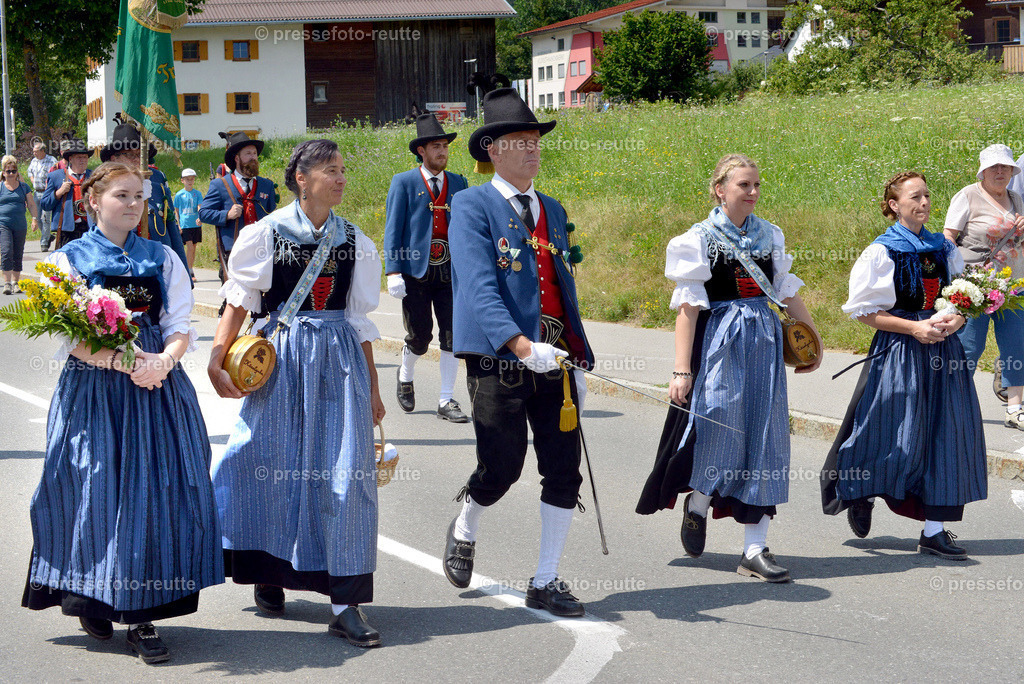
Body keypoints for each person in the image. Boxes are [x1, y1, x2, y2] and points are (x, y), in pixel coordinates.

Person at [21, 162, 223, 664]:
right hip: (95, 392)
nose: (134, 204)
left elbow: (180, 324)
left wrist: (164, 361)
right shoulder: (68, 260)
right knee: (93, 488)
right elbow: (69, 339)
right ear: (93, 200)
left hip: (156, 388)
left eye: (140, 196)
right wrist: (121, 361)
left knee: (151, 495)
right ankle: (90, 591)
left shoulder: (163, 257)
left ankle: (141, 617)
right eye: (122, 195)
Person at [207, 140, 386, 647]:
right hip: (280, 360)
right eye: (331, 170)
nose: (341, 178)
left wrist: (373, 388)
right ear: (301, 179)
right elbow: (238, 302)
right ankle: (268, 571)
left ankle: (345, 603)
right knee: (264, 461)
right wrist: (217, 359)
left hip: (339, 364)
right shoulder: (265, 234)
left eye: (343, 169)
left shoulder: (356, 241)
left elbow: (358, 321)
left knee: (345, 477)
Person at [636, 154, 823, 583]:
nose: (753, 192)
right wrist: (681, 370)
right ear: (720, 189)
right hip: (720, 339)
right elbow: (687, 306)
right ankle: (699, 501)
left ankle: (754, 548)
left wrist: (811, 339)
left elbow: (786, 291)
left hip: (765, 340)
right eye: (744, 185)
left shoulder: (770, 234)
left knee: (765, 435)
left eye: (757, 184)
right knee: (717, 421)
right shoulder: (699, 238)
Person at [443, 88, 594, 617]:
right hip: (498, 356)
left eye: (535, 141)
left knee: (563, 468)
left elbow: (560, 282)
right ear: (493, 150)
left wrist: (572, 345)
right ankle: (466, 523)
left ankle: (546, 579)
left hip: (554, 359)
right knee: (502, 466)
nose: (532, 150)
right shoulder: (470, 203)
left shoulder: (551, 207)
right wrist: (520, 345)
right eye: (521, 142)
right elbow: (479, 286)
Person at [821, 171, 987, 559]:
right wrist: (914, 328)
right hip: (900, 350)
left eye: (928, 195)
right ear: (894, 205)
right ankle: (860, 490)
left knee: (945, 434)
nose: (925, 202)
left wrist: (955, 319)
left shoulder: (942, 247)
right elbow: (864, 312)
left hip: (943, 352)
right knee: (886, 428)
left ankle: (934, 530)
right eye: (915, 197)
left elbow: (963, 296)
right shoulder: (882, 250)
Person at [384, 113, 470, 422]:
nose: (442, 152)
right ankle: (405, 375)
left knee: (452, 337)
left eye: (445, 146)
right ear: (421, 150)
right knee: (420, 337)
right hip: (415, 273)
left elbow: (468, 229)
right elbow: (393, 229)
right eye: (436, 146)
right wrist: (392, 270)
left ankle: (446, 400)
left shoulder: (459, 182)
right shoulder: (404, 182)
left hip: (450, 272)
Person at [942, 144, 1024, 429]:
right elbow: (948, 237)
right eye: (994, 167)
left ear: (1013, 171)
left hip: (1012, 285)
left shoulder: (1017, 198)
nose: (1000, 172)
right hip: (975, 284)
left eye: (1005, 167)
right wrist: (954, 276)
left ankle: (1015, 409)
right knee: (968, 346)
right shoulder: (968, 195)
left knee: (1016, 347)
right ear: (983, 171)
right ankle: (955, 405)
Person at [97, 120, 189, 270]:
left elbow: (171, 228)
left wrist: (183, 270)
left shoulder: (156, 185)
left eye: (140, 154)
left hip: (158, 262)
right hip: (121, 263)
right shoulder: (103, 189)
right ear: (114, 158)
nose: (137, 159)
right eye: (130, 155)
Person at [199, 131, 277, 290]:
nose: (253, 157)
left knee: (264, 302)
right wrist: (226, 214)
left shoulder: (267, 185)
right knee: (234, 300)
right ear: (237, 158)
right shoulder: (219, 185)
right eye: (248, 153)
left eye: (254, 153)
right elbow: (204, 213)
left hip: (262, 252)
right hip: (233, 252)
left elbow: (273, 216)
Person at [39, 138, 92, 248]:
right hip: (66, 231)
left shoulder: (93, 177)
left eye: (85, 157)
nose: (83, 160)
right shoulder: (56, 176)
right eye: (79, 157)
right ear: (71, 159)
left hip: (89, 229)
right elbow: (45, 204)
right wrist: (58, 193)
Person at [1, 156, 40, 294]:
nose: (11, 173)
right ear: (3, 172)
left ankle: (15, 282)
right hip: (3, 224)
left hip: (20, 224)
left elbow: (31, 204)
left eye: (13, 171)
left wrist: (34, 219)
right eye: (8, 171)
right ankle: (6, 283)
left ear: (17, 172)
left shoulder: (24, 187)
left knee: (18, 253)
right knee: (6, 251)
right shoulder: (0, 187)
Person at [27, 142, 57, 251]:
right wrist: (33, 180)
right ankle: (48, 235)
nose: (34, 153)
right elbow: (30, 172)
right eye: (33, 151)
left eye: (36, 151)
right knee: (37, 217)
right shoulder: (34, 161)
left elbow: (56, 173)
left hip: (46, 193)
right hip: (37, 192)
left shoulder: (51, 160)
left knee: (45, 218)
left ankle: (44, 242)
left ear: (42, 150)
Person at [173, 167, 203, 274]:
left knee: (193, 248)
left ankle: (190, 267)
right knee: (189, 247)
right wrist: (179, 224)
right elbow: (176, 211)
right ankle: (188, 270)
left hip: (195, 224)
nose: (190, 181)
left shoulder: (197, 193)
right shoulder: (179, 195)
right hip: (185, 225)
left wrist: (200, 217)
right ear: (182, 180)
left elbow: (200, 207)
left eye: (192, 179)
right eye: (187, 179)